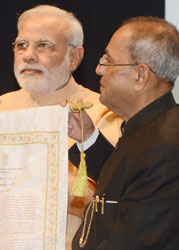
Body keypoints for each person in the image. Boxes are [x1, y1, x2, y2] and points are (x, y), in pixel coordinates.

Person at [68, 16, 179, 249]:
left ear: (141, 75)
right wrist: (87, 137)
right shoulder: (151, 128)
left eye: (108, 60)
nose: (99, 69)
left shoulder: (165, 150)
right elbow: (125, 180)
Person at [0, 5, 122, 249]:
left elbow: (116, 194)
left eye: (44, 45)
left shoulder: (101, 112)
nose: (29, 55)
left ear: (74, 57)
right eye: (21, 45)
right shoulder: (3, 106)